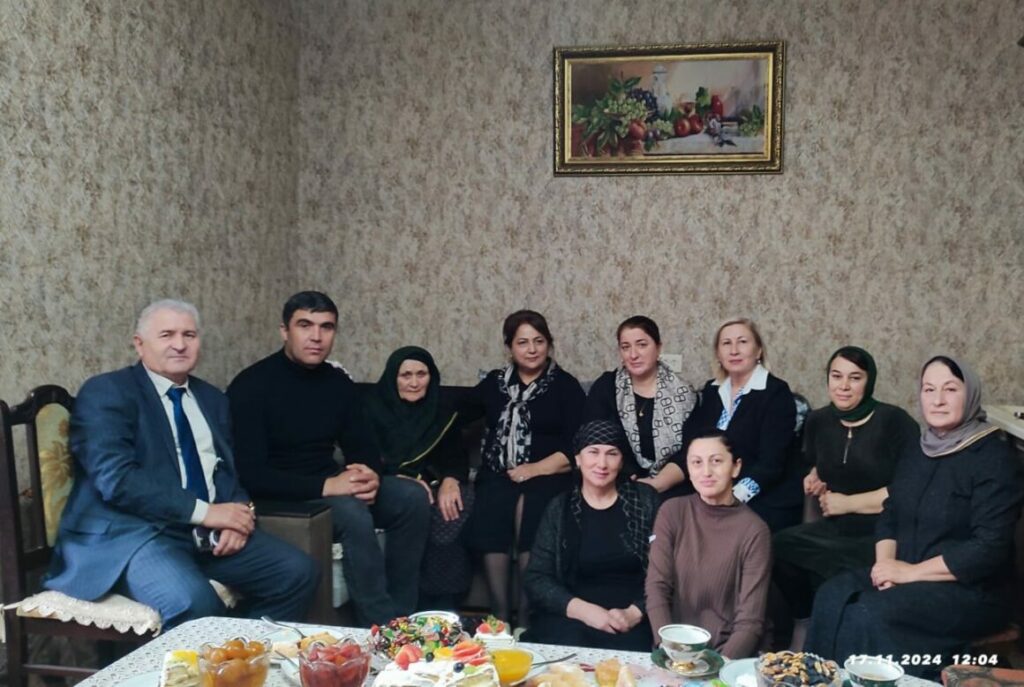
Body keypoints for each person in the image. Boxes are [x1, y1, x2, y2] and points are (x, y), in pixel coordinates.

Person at [44, 300, 317, 627]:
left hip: (202, 535)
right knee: (194, 602)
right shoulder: (108, 391)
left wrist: (238, 514)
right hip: (134, 535)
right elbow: (117, 479)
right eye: (167, 335)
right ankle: (207, 657)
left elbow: (225, 470)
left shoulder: (212, 398)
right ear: (139, 344)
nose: (179, 344)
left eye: (189, 335)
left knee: (297, 573)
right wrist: (207, 512)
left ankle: (245, 652)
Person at [806, 356, 1023, 677]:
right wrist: (885, 568)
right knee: (831, 594)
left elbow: (988, 549)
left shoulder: (993, 458)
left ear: (971, 395)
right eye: (929, 389)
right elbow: (891, 512)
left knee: (866, 614)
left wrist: (909, 573)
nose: (938, 400)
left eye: (950, 389)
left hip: (972, 592)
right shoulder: (920, 448)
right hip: (907, 571)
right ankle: (817, 682)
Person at [227, 291, 431, 626]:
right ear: (284, 331)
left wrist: (369, 475)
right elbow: (250, 474)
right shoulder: (252, 385)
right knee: (351, 512)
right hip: (279, 496)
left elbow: (363, 444)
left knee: (411, 497)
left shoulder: (337, 383)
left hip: (330, 484)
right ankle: (380, 626)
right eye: (305, 325)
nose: (316, 336)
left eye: (326, 327)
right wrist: (329, 486)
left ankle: (403, 616)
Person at [772, 346, 919, 648]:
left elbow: (908, 491)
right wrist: (814, 475)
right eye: (836, 376)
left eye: (855, 378)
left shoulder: (895, 422)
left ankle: (829, 641)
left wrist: (848, 503)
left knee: (834, 571)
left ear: (869, 381)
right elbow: (818, 461)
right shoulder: (819, 421)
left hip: (883, 534)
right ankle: (806, 620)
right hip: (834, 529)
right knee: (776, 546)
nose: (844, 386)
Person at [462, 309, 585, 625]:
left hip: (550, 474)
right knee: (494, 498)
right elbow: (454, 416)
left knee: (533, 504)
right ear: (509, 347)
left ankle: (528, 619)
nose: (532, 349)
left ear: (549, 344)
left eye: (539, 341)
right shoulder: (494, 383)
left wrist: (535, 468)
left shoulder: (566, 386)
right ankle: (500, 616)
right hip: (498, 473)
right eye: (523, 342)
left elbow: (577, 444)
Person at [524, 420, 658, 650]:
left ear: (621, 460)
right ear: (578, 459)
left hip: (631, 619)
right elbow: (537, 578)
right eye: (593, 452)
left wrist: (635, 612)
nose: (602, 463)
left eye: (612, 454)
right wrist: (585, 612)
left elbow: (667, 571)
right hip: (573, 616)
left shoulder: (646, 500)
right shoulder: (560, 508)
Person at [645, 429, 772, 659]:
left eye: (716, 461)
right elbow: (657, 588)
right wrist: (670, 652)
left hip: (727, 657)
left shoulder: (754, 530)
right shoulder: (672, 511)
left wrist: (719, 668)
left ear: (736, 467)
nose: (706, 472)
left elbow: (750, 621)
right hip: (671, 650)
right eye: (697, 462)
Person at [364, 346, 474, 610]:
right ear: (393, 377)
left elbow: (456, 457)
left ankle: (444, 602)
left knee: (457, 505)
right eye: (406, 375)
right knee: (416, 501)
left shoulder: (442, 410)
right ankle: (412, 604)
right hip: (385, 484)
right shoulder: (371, 408)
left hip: (434, 482)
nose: (414, 383)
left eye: (421, 374)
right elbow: (365, 458)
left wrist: (451, 479)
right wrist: (403, 476)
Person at [683, 317, 801, 532]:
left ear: (759, 351)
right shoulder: (711, 391)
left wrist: (729, 500)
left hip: (766, 496)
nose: (734, 350)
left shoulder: (776, 393)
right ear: (718, 354)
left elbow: (771, 464)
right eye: (726, 343)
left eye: (742, 342)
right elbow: (691, 443)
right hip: (713, 490)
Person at [583, 316, 696, 496]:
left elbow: (690, 452)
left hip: (671, 483)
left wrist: (656, 484)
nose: (633, 355)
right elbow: (594, 438)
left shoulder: (684, 394)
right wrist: (627, 479)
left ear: (658, 348)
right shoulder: (606, 387)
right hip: (615, 479)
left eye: (642, 345)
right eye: (625, 347)